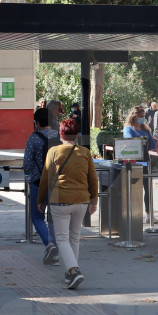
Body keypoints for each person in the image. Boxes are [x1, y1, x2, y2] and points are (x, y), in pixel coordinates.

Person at [37, 118, 98, 290]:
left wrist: (40, 200)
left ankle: (74, 270)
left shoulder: (54, 151)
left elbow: (45, 179)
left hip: (60, 199)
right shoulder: (85, 153)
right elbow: (93, 179)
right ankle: (70, 272)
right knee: (74, 237)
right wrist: (94, 200)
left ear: (61, 134)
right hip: (81, 200)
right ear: (77, 135)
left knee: (62, 238)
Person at [23, 106, 61, 265]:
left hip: (38, 183)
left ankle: (49, 244)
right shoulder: (59, 137)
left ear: (37, 122)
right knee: (54, 218)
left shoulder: (33, 138)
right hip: (57, 184)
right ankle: (56, 253)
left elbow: (27, 163)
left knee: (37, 217)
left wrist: (30, 179)